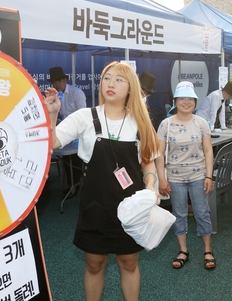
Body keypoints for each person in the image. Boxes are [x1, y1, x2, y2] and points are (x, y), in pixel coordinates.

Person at [44, 61, 159, 301]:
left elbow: (148, 161)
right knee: (94, 263)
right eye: (107, 78)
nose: (111, 84)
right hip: (95, 202)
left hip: (132, 205)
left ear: (131, 88)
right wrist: (53, 113)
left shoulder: (141, 121)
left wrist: (151, 186)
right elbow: (53, 142)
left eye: (119, 80)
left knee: (129, 261)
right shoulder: (86, 116)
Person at [155, 81, 216, 270]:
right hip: (174, 177)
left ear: (195, 102)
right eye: (182, 98)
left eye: (190, 98)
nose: (186, 102)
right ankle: (183, 251)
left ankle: (208, 250)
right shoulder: (165, 124)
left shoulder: (201, 123)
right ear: (175, 101)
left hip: (199, 175)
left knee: (202, 213)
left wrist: (209, 176)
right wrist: (162, 178)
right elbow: (159, 154)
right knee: (179, 214)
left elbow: (208, 151)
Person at [48, 66, 87, 198]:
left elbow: (83, 117)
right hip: (63, 134)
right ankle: (69, 184)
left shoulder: (77, 93)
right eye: (54, 81)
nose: (56, 84)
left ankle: (74, 185)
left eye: (59, 80)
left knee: (75, 159)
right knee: (64, 158)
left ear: (65, 80)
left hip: (78, 134)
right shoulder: (54, 96)